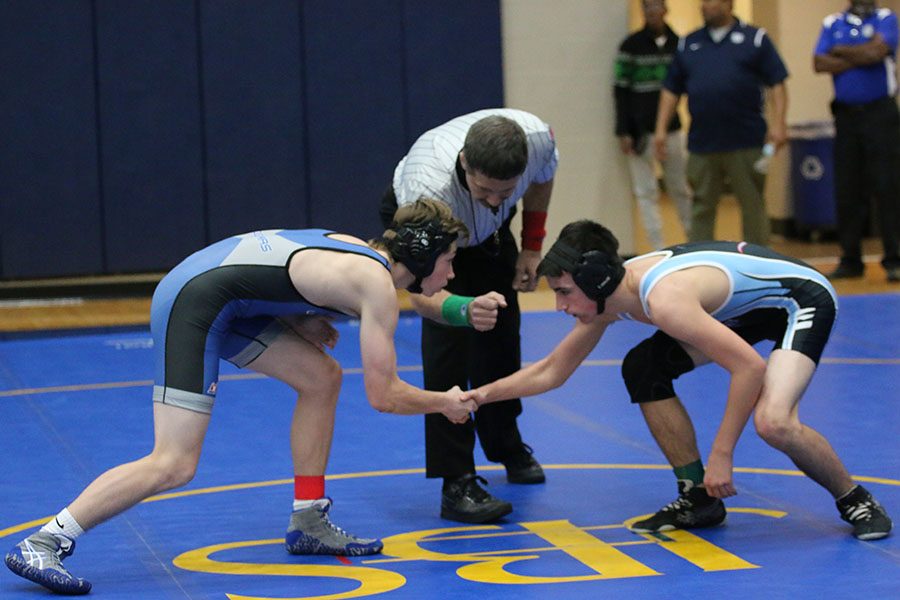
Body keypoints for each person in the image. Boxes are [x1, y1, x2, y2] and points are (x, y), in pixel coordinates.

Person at [5, 199, 480, 595]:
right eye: (450, 259)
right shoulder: (374, 283)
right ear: (422, 256)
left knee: (321, 378)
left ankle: (309, 520)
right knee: (174, 462)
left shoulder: (360, 254)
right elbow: (383, 395)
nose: (452, 271)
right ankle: (46, 541)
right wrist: (444, 402)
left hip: (225, 297)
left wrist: (299, 319)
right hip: (196, 301)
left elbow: (270, 271)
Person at [462, 219, 893, 542]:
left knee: (774, 422)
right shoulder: (609, 296)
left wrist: (722, 455)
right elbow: (552, 370)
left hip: (798, 299)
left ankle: (855, 499)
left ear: (595, 282)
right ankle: (698, 498)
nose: (559, 306)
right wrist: (481, 395)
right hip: (745, 305)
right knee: (643, 368)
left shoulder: (664, 300)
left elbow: (749, 368)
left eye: (563, 292)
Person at [379, 109, 559, 524]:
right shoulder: (427, 188)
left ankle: (504, 440)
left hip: (489, 234)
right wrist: (460, 307)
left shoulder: (537, 142)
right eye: (486, 190)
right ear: (465, 164)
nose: (497, 200)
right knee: (449, 343)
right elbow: (419, 294)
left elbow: (543, 177)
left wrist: (532, 245)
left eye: (505, 191)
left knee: (502, 332)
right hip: (433, 229)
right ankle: (456, 479)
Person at [654, 0, 788, 247]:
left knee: (752, 203)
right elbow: (671, 90)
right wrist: (661, 129)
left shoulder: (755, 39)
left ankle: (758, 262)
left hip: (746, 139)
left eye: (710, 1)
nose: (704, 6)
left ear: (728, 4)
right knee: (701, 205)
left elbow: (776, 83)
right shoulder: (689, 43)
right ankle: (699, 259)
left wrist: (779, 124)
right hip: (703, 141)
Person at [813, 0, 900, 283]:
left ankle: (894, 259)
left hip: (880, 114)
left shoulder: (885, 18)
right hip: (846, 117)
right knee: (848, 187)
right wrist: (861, 54)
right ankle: (851, 259)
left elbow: (878, 52)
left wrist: (841, 53)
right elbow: (818, 62)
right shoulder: (832, 23)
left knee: (887, 186)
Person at [614, 0, 692, 250]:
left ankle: (695, 240)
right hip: (639, 133)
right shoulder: (630, 46)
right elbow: (620, 89)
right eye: (647, 7)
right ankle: (658, 247)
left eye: (657, 7)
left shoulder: (679, 44)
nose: (653, 12)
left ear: (665, 10)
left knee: (680, 188)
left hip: (672, 130)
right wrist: (623, 130)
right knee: (646, 192)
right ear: (642, 12)